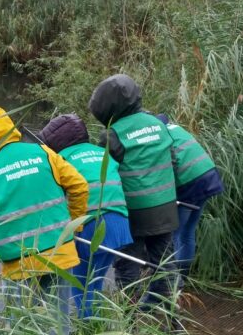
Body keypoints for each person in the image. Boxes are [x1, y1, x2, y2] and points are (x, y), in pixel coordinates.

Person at [0, 106, 89, 335]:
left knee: (21, 332)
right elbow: (80, 186)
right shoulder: (44, 152)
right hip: (60, 253)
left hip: (19, 263)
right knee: (59, 326)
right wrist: (74, 224)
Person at [88, 74, 179, 305]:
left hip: (134, 214)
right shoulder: (158, 124)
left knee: (128, 269)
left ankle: (129, 327)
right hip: (166, 209)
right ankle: (174, 324)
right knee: (165, 266)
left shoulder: (113, 134)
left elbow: (104, 175)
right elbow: (173, 162)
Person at [39, 113, 134, 318]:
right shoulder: (102, 152)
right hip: (119, 225)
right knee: (95, 282)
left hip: (90, 226)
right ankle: (94, 330)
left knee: (80, 285)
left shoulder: (58, 159)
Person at [154, 113, 224, 287]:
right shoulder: (175, 128)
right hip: (208, 177)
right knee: (187, 231)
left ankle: (173, 284)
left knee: (176, 233)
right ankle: (182, 278)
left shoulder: (159, 136)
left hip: (189, 183)